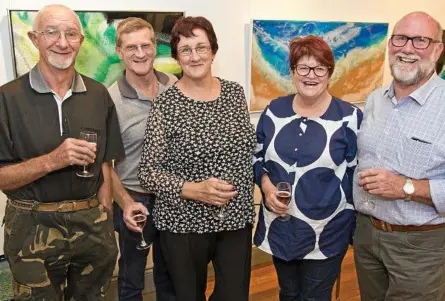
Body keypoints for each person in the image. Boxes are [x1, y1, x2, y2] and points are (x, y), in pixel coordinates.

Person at [0, 4, 125, 301]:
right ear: (35, 39)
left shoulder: (98, 94)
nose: (62, 42)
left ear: (81, 41)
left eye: (71, 34)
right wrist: (54, 160)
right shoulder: (7, 99)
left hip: (92, 227)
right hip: (31, 228)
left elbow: (106, 163)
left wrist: (105, 213)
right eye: (52, 32)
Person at [136, 16, 255, 301]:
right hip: (183, 223)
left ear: (213, 50)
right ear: (177, 56)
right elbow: (147, 172)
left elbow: (249, 149)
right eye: (186, 50)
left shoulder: (235, 93)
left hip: (235, 219)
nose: (195, 56)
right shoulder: (166, 104)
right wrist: (194, 190)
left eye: (201, 47)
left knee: (234, 295)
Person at [353, 11, 445, 301]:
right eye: (400, 38)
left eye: (420, 40)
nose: (407, 48)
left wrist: (405, 187)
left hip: (421, 246)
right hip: (367, 235)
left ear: (438, 49)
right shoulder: (376, 99)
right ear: (390, 45)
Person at [253, 35, 363, 301]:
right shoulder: (273, 111)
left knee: (314, 297)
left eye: (319, 68)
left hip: (326, 231)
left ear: (329, 73)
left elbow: (355, 176)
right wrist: (267, 188)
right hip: (281, 226)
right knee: (288, 293)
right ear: (292, 72)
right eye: (303, 67)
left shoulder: (349, 117)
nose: (311, 75)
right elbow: (256, 159)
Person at [108, 17, 177, 301]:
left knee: (170, 272)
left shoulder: (173, 85)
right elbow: (104, 165)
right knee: (132, 278)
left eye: (146, 45)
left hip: (173, 197)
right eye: (131, 47)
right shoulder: (110, 99)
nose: (140, 53)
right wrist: (126, 203)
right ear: (119, 52)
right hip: (135, 199)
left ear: (155, 47)